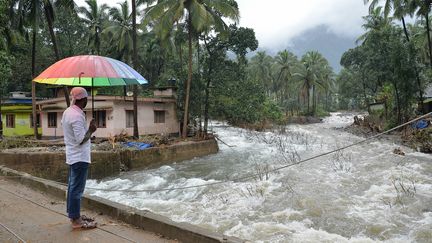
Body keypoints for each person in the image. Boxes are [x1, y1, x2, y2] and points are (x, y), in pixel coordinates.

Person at [61, 87, 97, 229]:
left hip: (72, 155)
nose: (87, 100)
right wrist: (91, 130)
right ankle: (76, 221)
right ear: (83, 99)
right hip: (79, 157)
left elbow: (71, 133)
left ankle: (74, 214)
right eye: (86, 98)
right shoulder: (76, 116)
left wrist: (88, 133)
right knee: (77, 189)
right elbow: (80, 139)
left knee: (72, 187)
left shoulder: (67, 112)